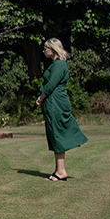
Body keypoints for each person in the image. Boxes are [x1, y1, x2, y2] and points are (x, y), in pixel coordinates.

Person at [36, 38, 88, 181]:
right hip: (52, 102)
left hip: (56, 103)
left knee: (57, 133)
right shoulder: (56, 64)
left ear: (52, 49)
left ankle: (61, 171)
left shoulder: (59, 65)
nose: (44, 50)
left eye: (46, 48)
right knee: (54, 133)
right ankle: (59, 170)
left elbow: (51, 85)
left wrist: (40, 98)